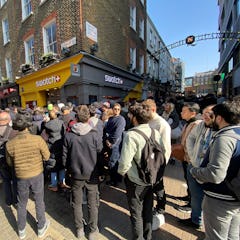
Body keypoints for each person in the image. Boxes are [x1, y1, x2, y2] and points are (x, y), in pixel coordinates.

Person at [190, 100, 240, 240]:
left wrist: (195, 171)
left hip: (220, 198)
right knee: (233, 236)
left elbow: (215, 174)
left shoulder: (224, 138)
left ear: (219, 118)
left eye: (213, 116)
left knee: (216, 237)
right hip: (235, 196)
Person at [118, 102, 165, 240]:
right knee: (148, 209)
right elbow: (163, 152)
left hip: (136, 180)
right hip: (152, 177)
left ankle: (138, 238)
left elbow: (124, 163)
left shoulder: (131, 135)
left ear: (134, 118)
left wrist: (123, 173)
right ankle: (147, 236)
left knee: (136, 212)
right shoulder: (154, 131)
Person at [6, 110, 50, 239]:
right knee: (39, 201)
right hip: (37, 174)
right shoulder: (38, 139)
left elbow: (10, 163)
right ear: (28, 125)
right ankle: (41, 227)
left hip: (21, 176)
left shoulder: (10, 144)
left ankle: (21, 231)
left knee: (21, 203)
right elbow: (47, 156)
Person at [62, 105, 103, 240]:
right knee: (92, 203)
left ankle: (80, 230)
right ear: (88, 118)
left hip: (76, 174)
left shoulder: (68, 135)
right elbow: (100, 153)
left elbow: (64, 157)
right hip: (92, 174)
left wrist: (68, 170)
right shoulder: (94, 134)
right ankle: (92, 231)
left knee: (77, 203)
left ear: (76, 118)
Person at [178, 105, 215, 229]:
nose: (205, 115)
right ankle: (196, 219)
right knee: (196, 195)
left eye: (209, 113)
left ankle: (200, 220)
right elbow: (190, 139)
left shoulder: (220, 130)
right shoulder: (201, 125)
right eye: (204, 112)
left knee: (207, 198)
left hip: (209, 171)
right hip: (193, 165)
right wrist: (193, 159)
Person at [142, 99, 171, 224]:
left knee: (159, 186)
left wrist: (160, 165)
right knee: (151, 185)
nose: (143, 112)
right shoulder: (149, 121)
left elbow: (166, 147)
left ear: (152, 109)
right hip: (148, 160)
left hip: (157, 162)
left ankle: (160, 207)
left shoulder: (162, 124)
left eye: (146, 110)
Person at [174, 102, 201, 213]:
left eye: (184, 111)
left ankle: (191, 205)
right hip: (185, 157)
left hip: (192, 159)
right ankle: (189, 196)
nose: (181, 113)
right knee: (188, 179)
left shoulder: (197, 124)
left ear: (193, 113)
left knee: (193, 184)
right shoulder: (188, 123)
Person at [104, 103, 126, 186]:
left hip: (116, 144)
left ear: (120, 110)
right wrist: (107, 140)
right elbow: (106, 130)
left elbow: (117, 134)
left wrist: (111, 143)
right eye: (115, 109)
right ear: (112, 109)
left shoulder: (121, 119)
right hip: (109, 143)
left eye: (118, 109)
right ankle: (116, 179)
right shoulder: (110, 118)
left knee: (114, 162)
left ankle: (115, 181)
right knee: (112, 161)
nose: (116, 110)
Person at [0, 111, 18, 207]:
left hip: (1, 161)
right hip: (12, 160)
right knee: (15, 181)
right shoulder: (13, 131)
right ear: (8, 120)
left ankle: (8, 201)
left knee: (6, 181)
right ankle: (16, 200)